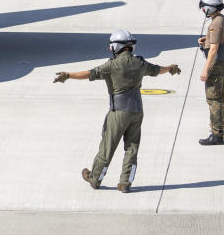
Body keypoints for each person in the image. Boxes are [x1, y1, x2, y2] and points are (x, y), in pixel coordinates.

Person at [54, 30, 181, 193]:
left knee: (108, 145)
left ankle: (95, 178)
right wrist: (170, 68)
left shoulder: (112, 65)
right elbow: (158, 70)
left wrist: (68, 75)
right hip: (137, 110)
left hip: (118, 112)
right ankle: (125, 182)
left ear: (115, 46)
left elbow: (89, 74)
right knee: (132, 147)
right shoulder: (140, 63)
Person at [197, 0, 224, 146]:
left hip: (217, 65)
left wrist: (205, 70)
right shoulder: (223, 19)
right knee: (221, 97)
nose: (203, 11)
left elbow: (213, 50)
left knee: (213, 99)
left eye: (204, 8)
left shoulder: (215, 23)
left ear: (210, 8)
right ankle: (223, 132)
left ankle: (216, 135)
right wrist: (206, 40)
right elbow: (221, 39)